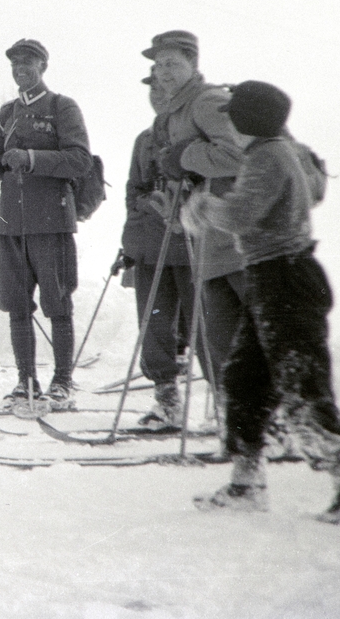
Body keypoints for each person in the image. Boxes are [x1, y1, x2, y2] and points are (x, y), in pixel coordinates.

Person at [185, 81, 340, 527]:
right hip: (274, 278)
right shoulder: (277, 149)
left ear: (248, 120)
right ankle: (247, 484)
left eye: (232, 116)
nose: (228, 123)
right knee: (244, 379)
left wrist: (203, 205)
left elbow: (239, 216)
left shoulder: (268, 156)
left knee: (301, 383)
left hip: (284, 279)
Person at [0, 39, 92, 409]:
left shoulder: (61, 106)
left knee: (57, 304)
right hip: (11, 222)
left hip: (51, 219)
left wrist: (33, 158)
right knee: (16, 306)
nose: (20, 69)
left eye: (28, 62)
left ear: (43, 66)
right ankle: (26, 382)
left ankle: (63, 381)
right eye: (15, 64)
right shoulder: (7, 112)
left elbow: (80, 160)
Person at [140, 31, 246, 408]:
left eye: (172, 63)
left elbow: (239, 154)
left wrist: (186, 155)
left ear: (193, 65)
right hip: (209, 238)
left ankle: (275, 422)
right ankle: (238, 423)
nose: (163, 72)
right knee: (219, 337)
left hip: (235, 238)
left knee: (245, 336)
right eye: (158, 65)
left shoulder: (205, 101)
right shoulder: (175, 111)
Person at [120, 72, 194, 429]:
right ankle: (167, 403)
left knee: (209, 327)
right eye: (151, 88)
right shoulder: (144, 140)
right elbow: (133, 191)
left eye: (164, 87)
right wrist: (131, 244)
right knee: (154, 327)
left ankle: (232, 410)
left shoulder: (195, 135)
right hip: (152, 244)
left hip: (192, 242)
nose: (157, 94)